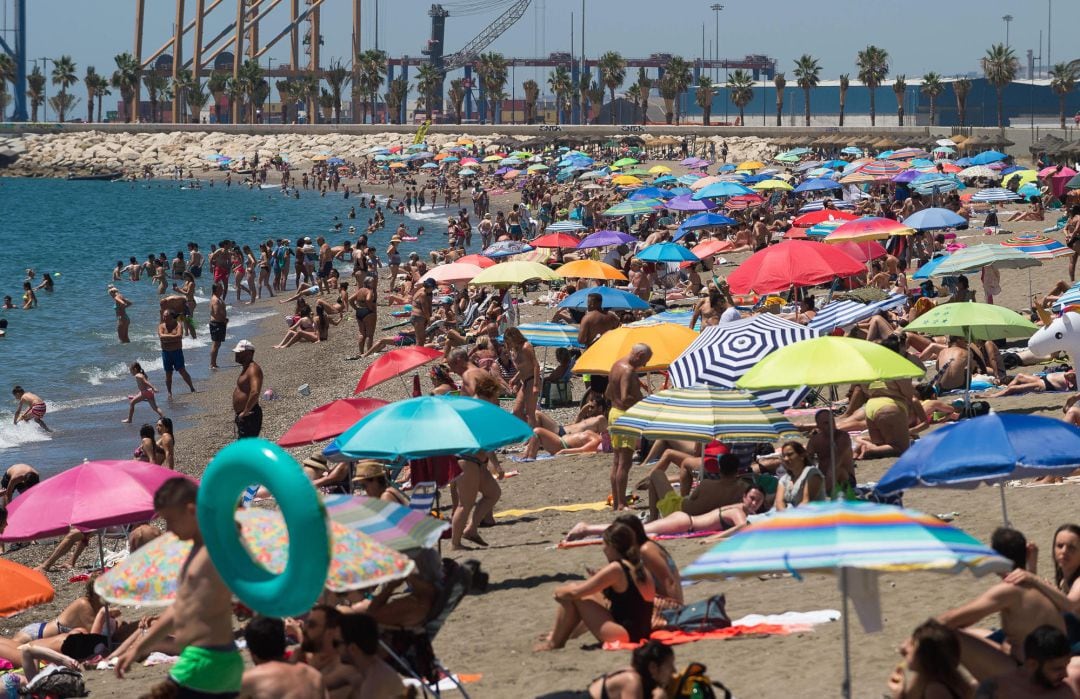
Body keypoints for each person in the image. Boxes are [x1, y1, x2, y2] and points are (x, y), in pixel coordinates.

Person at [115, 478, 244, 697]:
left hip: (203, 661)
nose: (169, 529)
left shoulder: (210, 553)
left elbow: (179, 611)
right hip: (224, 660)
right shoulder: (198, 553)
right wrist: (138, 648)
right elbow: (177, 609)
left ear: (191, 510)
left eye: (171, 520)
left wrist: (138, 648)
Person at [938, 527, 1067, 683]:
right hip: (1045, 663)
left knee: (948, 635)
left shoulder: (1008, 591)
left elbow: (949, 620)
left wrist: (918, 638)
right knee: (973, 633)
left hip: (1028, 674)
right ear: (1025, 553)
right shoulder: (1035, 583)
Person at [535, 521, 656, 651]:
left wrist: (557, 592)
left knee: (574, 596)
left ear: (611, 546)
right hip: (641, 632)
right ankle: (566, 634)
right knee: (590, 593)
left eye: (604, 544)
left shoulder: (616, 569)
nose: (602, 548)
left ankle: (554, 643)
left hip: (624, 635)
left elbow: (575, 592)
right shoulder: (638, 566)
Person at [607, 344, 653, 511]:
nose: (644, 366)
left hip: (614, 413)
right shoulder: (628, 371)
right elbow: (626, 398)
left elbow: (607, 393)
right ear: (639, 355)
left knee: (617, 461)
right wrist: (644, 403)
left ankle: (617, 501)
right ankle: (621, 504)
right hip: (624, 416)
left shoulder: (616, 365)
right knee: (624, 464)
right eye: (644, 361)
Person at [974, 626, 1078, 698]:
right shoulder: (999, 690)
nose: (1065, 674)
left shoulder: (1074, 675)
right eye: (1057, 669)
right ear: (1032, 664)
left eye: (1066, 665)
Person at [240, 616, 327, 699]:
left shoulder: (248, 682)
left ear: (252, 653)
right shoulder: (314, 676)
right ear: (284, 643)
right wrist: (298, 631)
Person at [887, 620, 974, 699]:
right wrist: (899, 691)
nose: (905, 648)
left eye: (912, 644)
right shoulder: (937, 679)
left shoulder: (935, 690)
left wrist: (898, 696)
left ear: (926, 655)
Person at [337, 614, 407, 699]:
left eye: (336, 643)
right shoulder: (376, 671)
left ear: (353, 649)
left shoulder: (373, 685)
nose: (334, 649)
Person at [586, 640, 676, 699]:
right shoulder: (632, 681)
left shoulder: (644, 679)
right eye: (670, 666)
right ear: (653, 667)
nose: (674, 671)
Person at [451, 450, 501, 550]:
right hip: (466, 460)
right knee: (465, 504)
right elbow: (488, 446)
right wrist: (496, 465)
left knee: (493, 493)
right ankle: (455, 544)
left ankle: (471, 529)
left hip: (476, 461)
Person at [298, 606, 352, 697]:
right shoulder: (302, 659)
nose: (304, 630)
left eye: (311, 625)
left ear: (331, 633)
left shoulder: (342, 673)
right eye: (306, 624)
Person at [806, 409, 856, 494]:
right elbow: (807, 460)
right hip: (824, 476)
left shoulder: (843, 437)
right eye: (826, 423)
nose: (831, 425)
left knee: (838, 470)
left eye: (832, 421)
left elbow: (836, 461)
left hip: (845, 478)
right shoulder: (815, 440)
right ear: (818, 426)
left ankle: (822, 491)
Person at [503, 327, 540, 426]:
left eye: (508, 341)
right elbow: (523, 368)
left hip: (532, 381)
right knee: (516, 411)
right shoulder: (516, 349)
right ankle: (531, 431)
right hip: (525, 382)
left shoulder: (526, 347)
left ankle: (535, 437)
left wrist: (536, 385)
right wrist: (515, 379)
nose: (508, 343)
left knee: (530, 413)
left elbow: (536, 365)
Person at [774, 441, 825, 510]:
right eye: (784, 456)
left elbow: (806, 502)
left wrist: (792, 518)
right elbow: (779, 502)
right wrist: (785, 517)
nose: (786, 459)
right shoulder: (784, 479)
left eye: (790, 454)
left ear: (802, 455)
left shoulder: (811, 473)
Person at [158, 311, 196, 396]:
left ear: (172, 317)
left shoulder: (178, 325)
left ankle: (192, 387)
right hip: (166, 353)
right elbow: (161, 336)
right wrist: (173, 337)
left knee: (182, 370)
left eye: (166, 317)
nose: (164, 318)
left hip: (177, 352)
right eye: (163, 316)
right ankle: (169, 392)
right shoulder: (161, 326)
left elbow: (179, 336)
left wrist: (167, 338)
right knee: (168, 373)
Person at [233, 340, 263, 439]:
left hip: (249, 414)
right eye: (237, 352)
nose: (237, 354)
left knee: (245, 447)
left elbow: (255, 392)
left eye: (240, 352)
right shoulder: (246, 368)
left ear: (250, 353)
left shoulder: (253, 369)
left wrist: (245, 411)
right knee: (244, 447)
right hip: (245, 414)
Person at [990, 371, 1077, 398]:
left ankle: (992, 396)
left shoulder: (1075, 381)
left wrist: (1070, 376)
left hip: (1045, 385)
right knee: (1019, 376)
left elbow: (1071, 385)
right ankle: (1005, 390)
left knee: (1012, 388)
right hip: (1043, 378)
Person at [209, 282, 228, 370]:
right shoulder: (215, 299)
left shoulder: (218, 298)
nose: (222, 289)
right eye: (221, 288)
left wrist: (224, 319)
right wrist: (224, 319)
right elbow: (216, 313)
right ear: (216, 289)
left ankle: (214, 363)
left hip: (220, 323)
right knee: (215, 344)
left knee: (218, 344)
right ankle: (212, 364)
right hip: (216, 323)